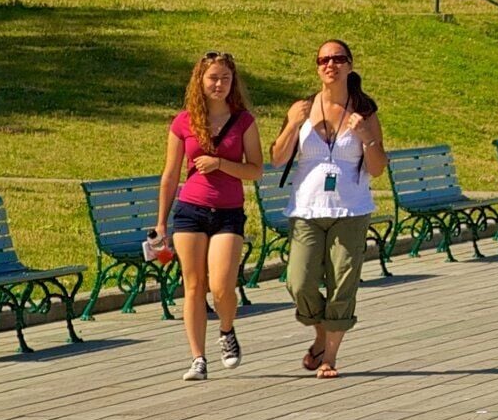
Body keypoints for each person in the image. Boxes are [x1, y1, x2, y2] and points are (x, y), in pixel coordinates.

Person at [268, 39, 386, 378]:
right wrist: (292, 124)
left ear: (349, 65)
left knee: (343, 282)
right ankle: (321, 332)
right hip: (306, 209)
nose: (329, 65)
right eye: (323, 60)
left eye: (337, 59)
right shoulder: (302, 108)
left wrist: (366, 137)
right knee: (299, 281)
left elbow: (377, 167)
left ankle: (329, 357)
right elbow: (277, 159)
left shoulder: (364, 111)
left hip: (351, 210)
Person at [154, 50, 260, 381]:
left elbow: (255, 170)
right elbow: (170, 175)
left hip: (228, 212)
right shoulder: (183, 121)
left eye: (225, 79)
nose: (219, 84)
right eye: (213, 78)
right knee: (193, 285)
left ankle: (226, 331)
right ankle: (198, 358)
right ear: (200, 81)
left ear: (233, 82)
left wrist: (221, 164)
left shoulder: (244, 121)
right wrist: (160, 223)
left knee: (222, 285)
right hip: (190, 210)